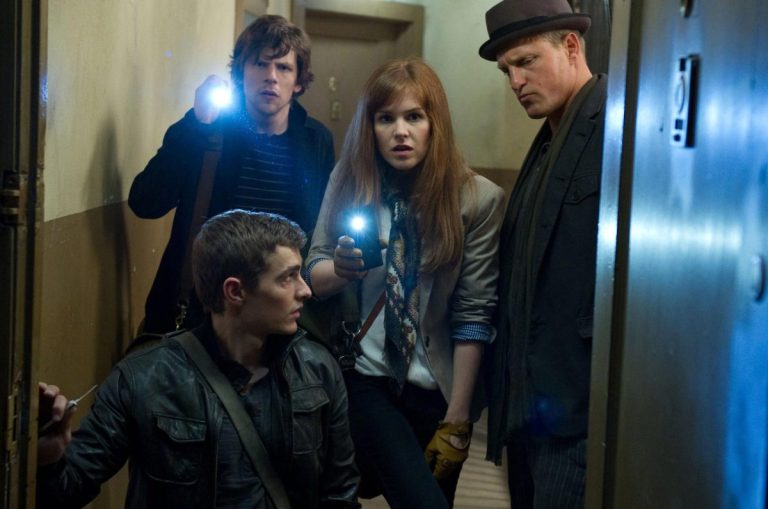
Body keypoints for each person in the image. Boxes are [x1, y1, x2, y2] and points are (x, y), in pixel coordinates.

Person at [36, 210, 360, 508]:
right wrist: (47, 459)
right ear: (235, 292)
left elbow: (341, 494)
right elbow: (66, 491)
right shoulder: (143, 378)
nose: (305, 290)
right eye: (287, 277)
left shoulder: (317, 370)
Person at [305, 58, 505, 509]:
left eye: (414, 117)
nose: (400, 131)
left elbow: (474, 314)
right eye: (385, 118)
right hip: (368, 378)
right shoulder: (350, 180)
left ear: (435, 124)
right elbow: (312, 273)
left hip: (438, 389)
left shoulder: (477, 200)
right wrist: (340, 269)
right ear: (370, 126)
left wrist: (458, 419)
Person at [129, 15, 334, 335]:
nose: (271, 77)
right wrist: (195, 124)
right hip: (204, 310)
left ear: (298, 81)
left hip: (281, 313)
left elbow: (320, 230)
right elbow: (146, 202)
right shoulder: (211, 128)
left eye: (283, 67)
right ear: (240, 73)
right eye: (259, 64)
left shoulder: (314, 141)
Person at [478, 0, 607, 506]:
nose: (515, 82)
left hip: (577, 410)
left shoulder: (616, 126)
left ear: (571, 46)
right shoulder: (548, 140)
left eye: (526, 62)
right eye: (506, 70)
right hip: (530, 406)